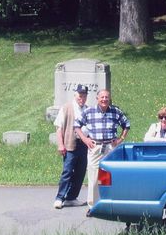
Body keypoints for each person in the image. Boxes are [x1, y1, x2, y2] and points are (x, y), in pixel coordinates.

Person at [74, 89, 130, 217]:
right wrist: (85, 139)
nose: (104, 99)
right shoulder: (89, 111)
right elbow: (76, 125)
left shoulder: (116, 111)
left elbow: (126, 124)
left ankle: (108, 205)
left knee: (108, 177)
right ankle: (93, 206)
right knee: (94, 178)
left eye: (106, 97)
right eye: (102, 97)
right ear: (97, 98)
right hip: (95, 147)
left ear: (109, 99)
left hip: (110, 147)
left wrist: (121, 139)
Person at [53, 84, 89, 209]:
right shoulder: (67, 108)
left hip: (84, 145)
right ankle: (59, 198)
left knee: (80, 172)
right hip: (70, 144)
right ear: (75, 95)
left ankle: (71, 198)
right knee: (67, 172)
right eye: (80, 95)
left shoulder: (87, 109)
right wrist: (60, 144)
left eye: (84, 95)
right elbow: (59, 127)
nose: (82, 98)